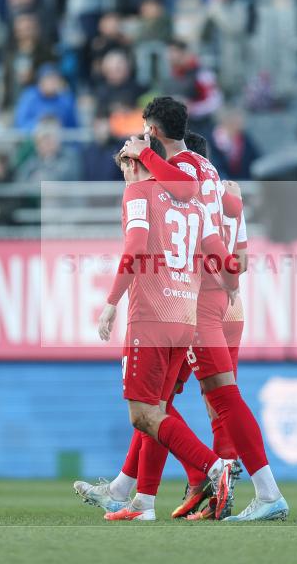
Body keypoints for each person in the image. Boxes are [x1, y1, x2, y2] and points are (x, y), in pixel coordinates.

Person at [124, 98, 288, 521]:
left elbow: (183, 197)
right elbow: (223, 228)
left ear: (153, 131)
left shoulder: (184, 171)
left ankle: (248, 486)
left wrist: (140, 156)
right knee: (165, 401)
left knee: (216, 397)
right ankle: (140, 494)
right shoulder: (209, 168)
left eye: (146, 132)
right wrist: (231, 276)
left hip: (196, 295)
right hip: (213, 289)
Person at [89, 134, 239, 522]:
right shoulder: (190, 200)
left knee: (143, 415)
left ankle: (214, 468)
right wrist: (232, 284)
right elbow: (217, 251)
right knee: (158, 408)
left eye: (124, 161)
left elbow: (136, 244)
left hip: (151, 316)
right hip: (185, 317)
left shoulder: (139, 192)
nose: (122, 169)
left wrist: (110, 303)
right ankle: (144, 503)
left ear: (138, 161)